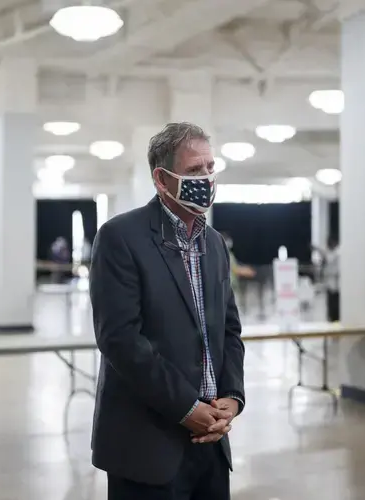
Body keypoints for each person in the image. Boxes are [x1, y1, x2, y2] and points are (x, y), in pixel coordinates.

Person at [89, 122, 245, 499]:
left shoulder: (214, 243)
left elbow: (228, 330)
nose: (207, 178)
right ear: (161, 179)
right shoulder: (121, 237)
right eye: (194, 171)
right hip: (147, 445)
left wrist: (232, 398)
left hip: (211, 441)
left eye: (210, 168)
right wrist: (186, 407)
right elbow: (121, 341)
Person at [314, 236, 340, 322]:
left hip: (336, 288)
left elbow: (328, 257)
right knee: (330, 310)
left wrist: (319, 251)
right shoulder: (332, 253)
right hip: (330, 286)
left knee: (335, 310)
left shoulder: (337, 253)